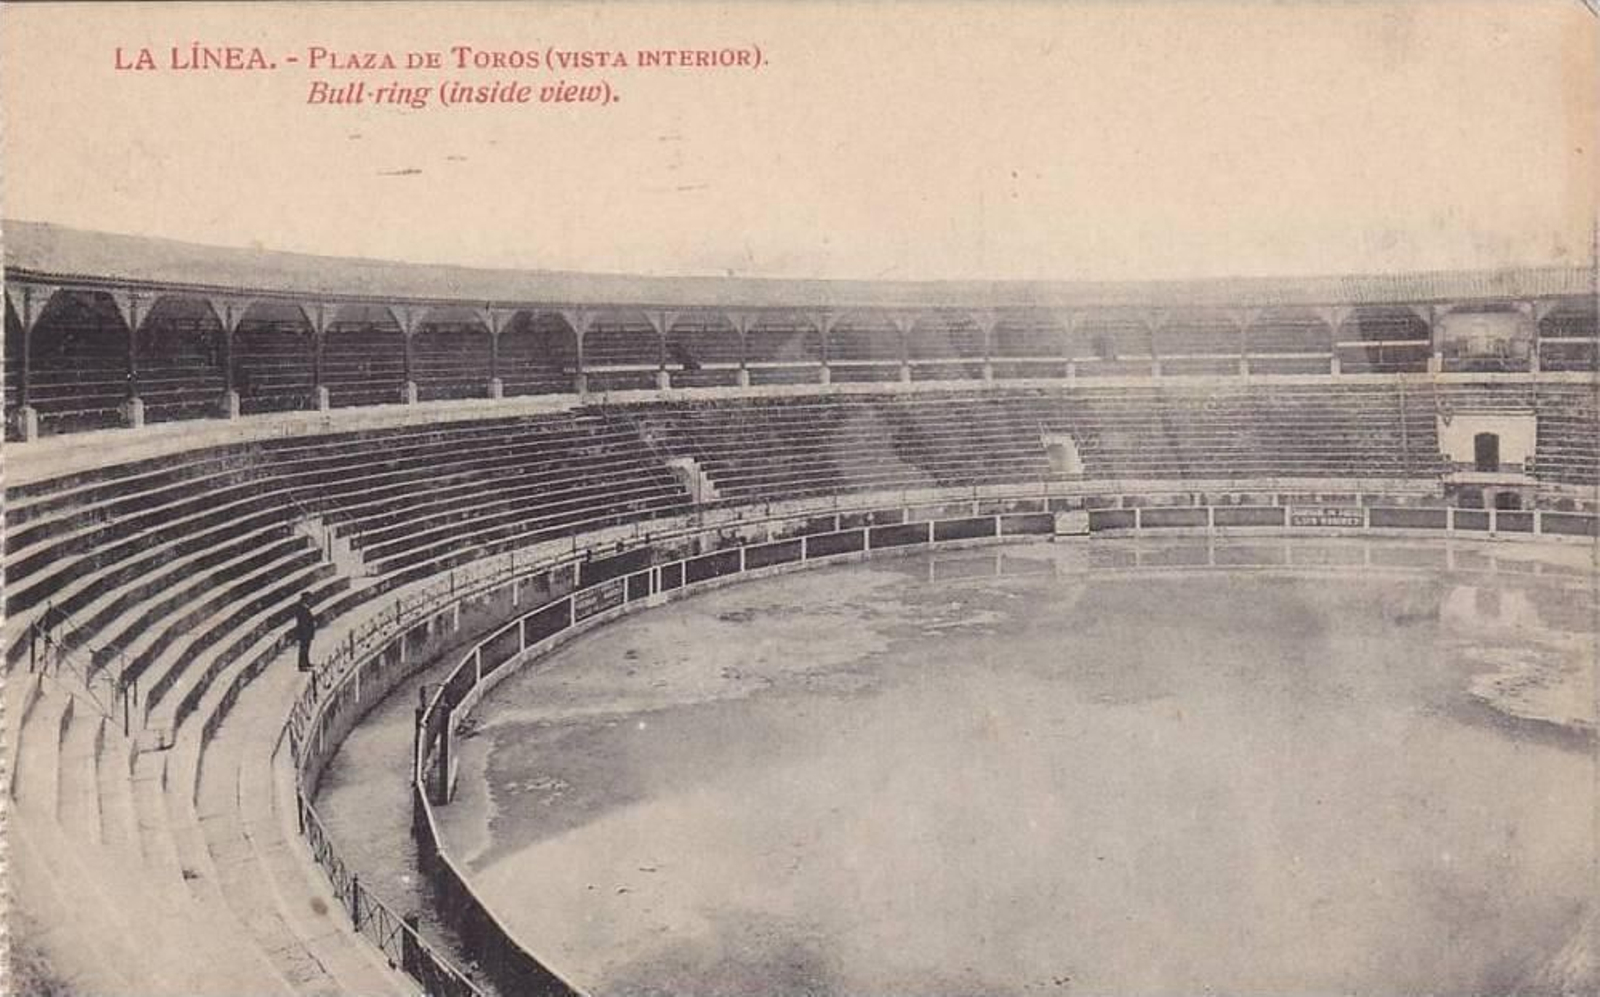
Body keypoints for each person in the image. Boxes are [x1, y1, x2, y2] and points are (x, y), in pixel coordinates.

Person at [294, 592, 317, 672]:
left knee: (306, 648)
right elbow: (303, 623)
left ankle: (306, 662)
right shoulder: (302, 609)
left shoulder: (304, 608)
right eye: (310, 599)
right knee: (303, 649)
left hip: (307, 632)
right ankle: (302, 665)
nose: (311, 601)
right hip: (304, 633)